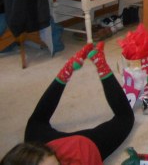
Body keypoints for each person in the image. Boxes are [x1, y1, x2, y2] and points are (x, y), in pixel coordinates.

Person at [1, 41, 134, 165]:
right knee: (125, 117)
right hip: (81, 149)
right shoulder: (83, 154)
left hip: (46, 147)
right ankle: (95, 64)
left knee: (36, 123)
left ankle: (67, 71)